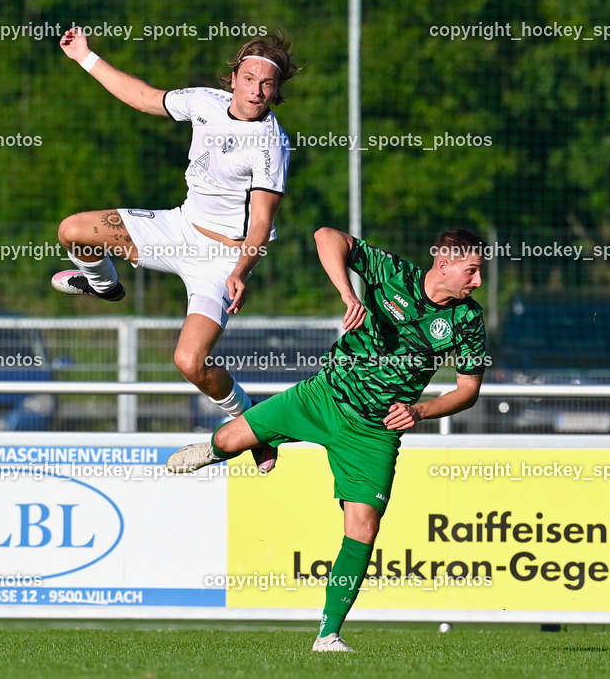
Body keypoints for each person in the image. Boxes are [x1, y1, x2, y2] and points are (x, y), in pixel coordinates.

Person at [168, 227, 488, 652]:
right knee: (229, 439)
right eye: (472, 271)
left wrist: (419, 410)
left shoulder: (468, 319)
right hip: (322, 396)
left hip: (373, 432)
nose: (477, 282)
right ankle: (218, 449)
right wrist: (348, 293)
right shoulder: (394, 274)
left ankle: (328, 634)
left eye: (480, 273)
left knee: (363, 527)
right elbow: (325, 236)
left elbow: (468, 389)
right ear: (444, 264)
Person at [53, 27, 299, 470]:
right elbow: (145, 97)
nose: (257, 90)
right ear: (233, 79)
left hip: (222, 258)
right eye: (249, 78)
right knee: (72, 230)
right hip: (178, 227)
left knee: (190, 361)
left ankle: (251, 423)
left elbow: (262, 222)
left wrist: (240, 271)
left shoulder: (270, 143)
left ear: (276, 90)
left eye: (267, 83)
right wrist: (85, 58)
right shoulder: (204, 102)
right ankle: (102, 284)